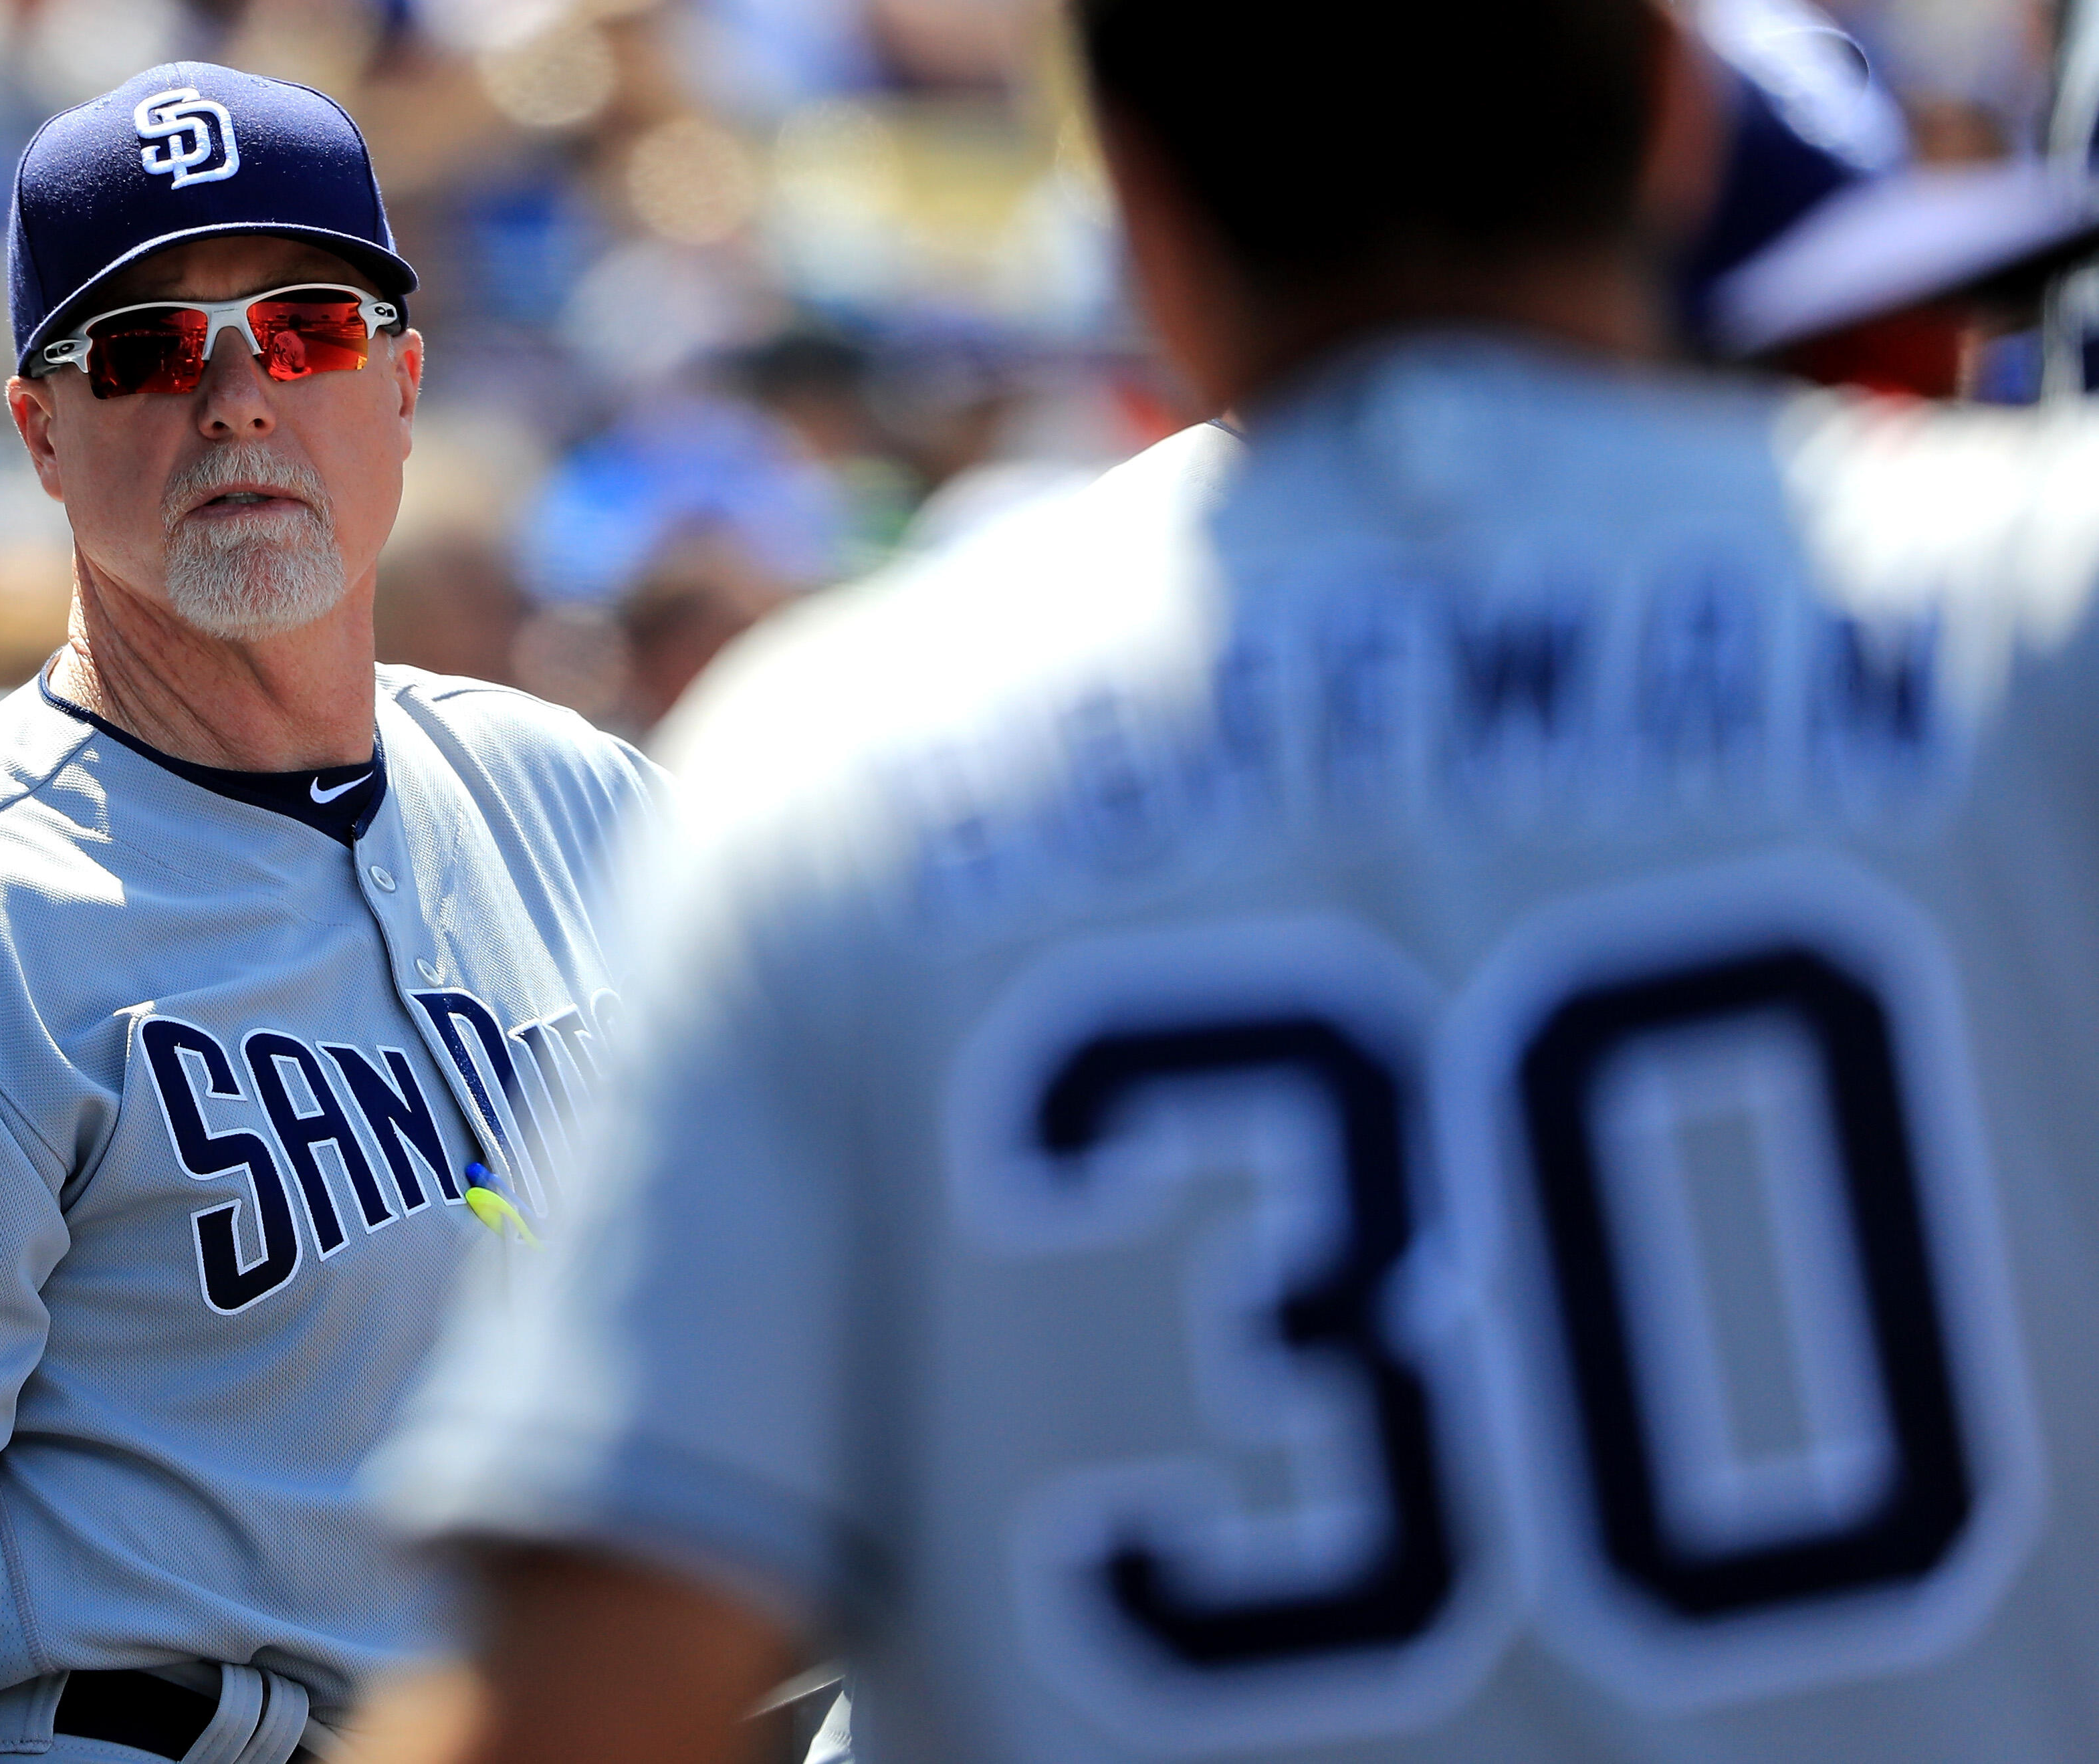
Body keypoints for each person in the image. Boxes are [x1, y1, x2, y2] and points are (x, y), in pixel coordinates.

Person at [360, 1, 2099, 1761]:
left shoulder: (848, 761)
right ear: (1671, 111)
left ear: (1125, 192)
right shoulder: (2035, 606)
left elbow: (584, 1705)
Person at [0, 62, 660, 1764]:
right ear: (42, 432)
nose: (236, 399)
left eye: (308, 331)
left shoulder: (571, 794)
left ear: (402, 383)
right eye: (139, 352)